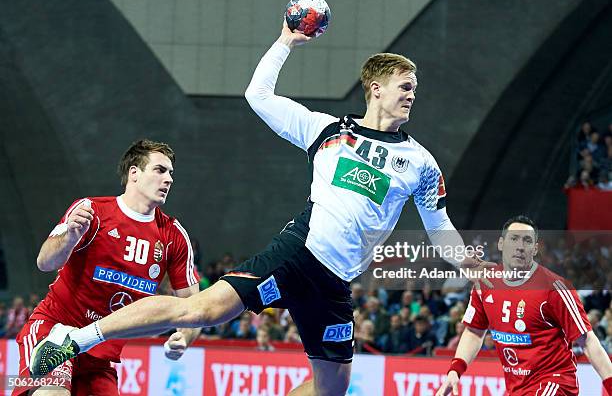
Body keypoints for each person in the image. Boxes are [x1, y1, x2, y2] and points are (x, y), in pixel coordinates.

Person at [30, 22, 491, 395]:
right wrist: (286, 41)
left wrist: (465, 258)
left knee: (333, 388)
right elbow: (259, 97)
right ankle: (76, 338)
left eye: (415, 88)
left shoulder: (422, 163)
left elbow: (439, 227)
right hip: (298, 255)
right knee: (203, 311)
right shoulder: (327, 130)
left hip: (335, 283)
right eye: (405, 86)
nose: (412, 94)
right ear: (375, 88)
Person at [16, 140, 201, 396]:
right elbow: (44, 263)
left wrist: (185, 338)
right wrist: (69, 237)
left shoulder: (174, 237)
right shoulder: (91, 210)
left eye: (171, 173)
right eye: (160, 170)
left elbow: (194, 308)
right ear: (134, 173)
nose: (168, 179)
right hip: (53, 333)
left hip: (99, 358)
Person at [436, 215, 612, 396]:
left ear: (535, 249)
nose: (520, 246)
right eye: (514, 239)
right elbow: (474, 331)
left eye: (527, 241)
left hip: (554, 384)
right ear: (501, 244)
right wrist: (455, 370)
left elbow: (588, 341)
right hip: (517, 388)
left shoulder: (555, 288)